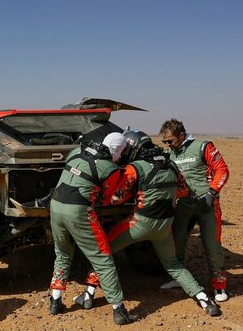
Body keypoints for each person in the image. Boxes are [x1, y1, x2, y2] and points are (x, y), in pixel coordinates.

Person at [73, 131, 220, 317]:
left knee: (103, 251)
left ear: (134, 148)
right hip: (165, 227)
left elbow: (116, 197)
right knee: (173, 264)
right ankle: (205, 300)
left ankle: (89, 294)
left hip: (140, 224)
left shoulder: (135, 168)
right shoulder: (172, 165)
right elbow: (182, 191)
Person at [49, 131, 138, 325]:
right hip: (78, 211)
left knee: (63, 253)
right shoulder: (111, 169)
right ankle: (119, 310)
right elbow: (109, 198)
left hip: (55, 206)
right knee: (102, 257)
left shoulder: (75, 152)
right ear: (120, 150)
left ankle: (55, 300)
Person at [159, 119, 230, 302]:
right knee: (177, 243)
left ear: (181, 135)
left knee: (212, 245)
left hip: (207, 205)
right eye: (164, 141)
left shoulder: (203, 147)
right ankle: (178, 279)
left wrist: (211, 194)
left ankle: (218, 285)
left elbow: (222, 170)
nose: (167, 145)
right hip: (182, 206)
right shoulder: (168, 153)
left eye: (170, 141)